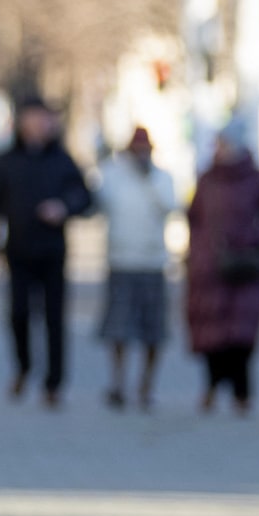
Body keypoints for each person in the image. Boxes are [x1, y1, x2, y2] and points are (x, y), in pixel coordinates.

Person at [0, 97, 93, 407]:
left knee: (55, 318)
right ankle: (23, 366)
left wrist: (64, 207)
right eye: (33, 117)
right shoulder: (8, 161)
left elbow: (85, 197)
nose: (39, 124)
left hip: (53, 251)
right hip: (18, 250)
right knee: (18, 314)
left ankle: (53, 383)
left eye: (43, 118)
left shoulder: (62, 160)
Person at [185, 123, 259, 416]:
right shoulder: (207, 180)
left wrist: (258, 239)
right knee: (210, 332)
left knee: (241, 333)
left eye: (224, 143)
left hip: (245, 266)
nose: (220, 149)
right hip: (210, 266)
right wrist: (200, 251)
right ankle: (212, 386)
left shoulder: (254, 179)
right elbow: (194, 218)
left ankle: (242, 392)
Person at [94, 126, 176, 410]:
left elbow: (170, 207)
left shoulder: (162, 178)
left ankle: (146, 384)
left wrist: (148, 179)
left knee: (153, 331)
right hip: (121, 261)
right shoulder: (112, 176)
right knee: (118, 328)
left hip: (152, 263)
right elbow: (97, 205)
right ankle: (118, 382)